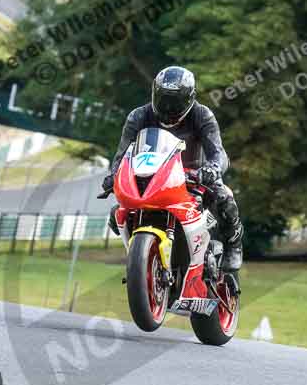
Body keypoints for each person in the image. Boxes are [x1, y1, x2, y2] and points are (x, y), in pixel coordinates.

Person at [101, 65, 243, 271]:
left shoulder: (202, 115)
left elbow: (219, 154)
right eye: (163, 99)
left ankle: (234, 245)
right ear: (154, 94)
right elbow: (122, 155)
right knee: (117, 213)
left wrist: (212, 169)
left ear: (189, 98)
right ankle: (144, 263)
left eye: (174, 101)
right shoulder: (138, 116)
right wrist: (114, 176)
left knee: (224, 198)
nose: (168, 107)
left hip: (196, 177)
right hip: (154, 177)